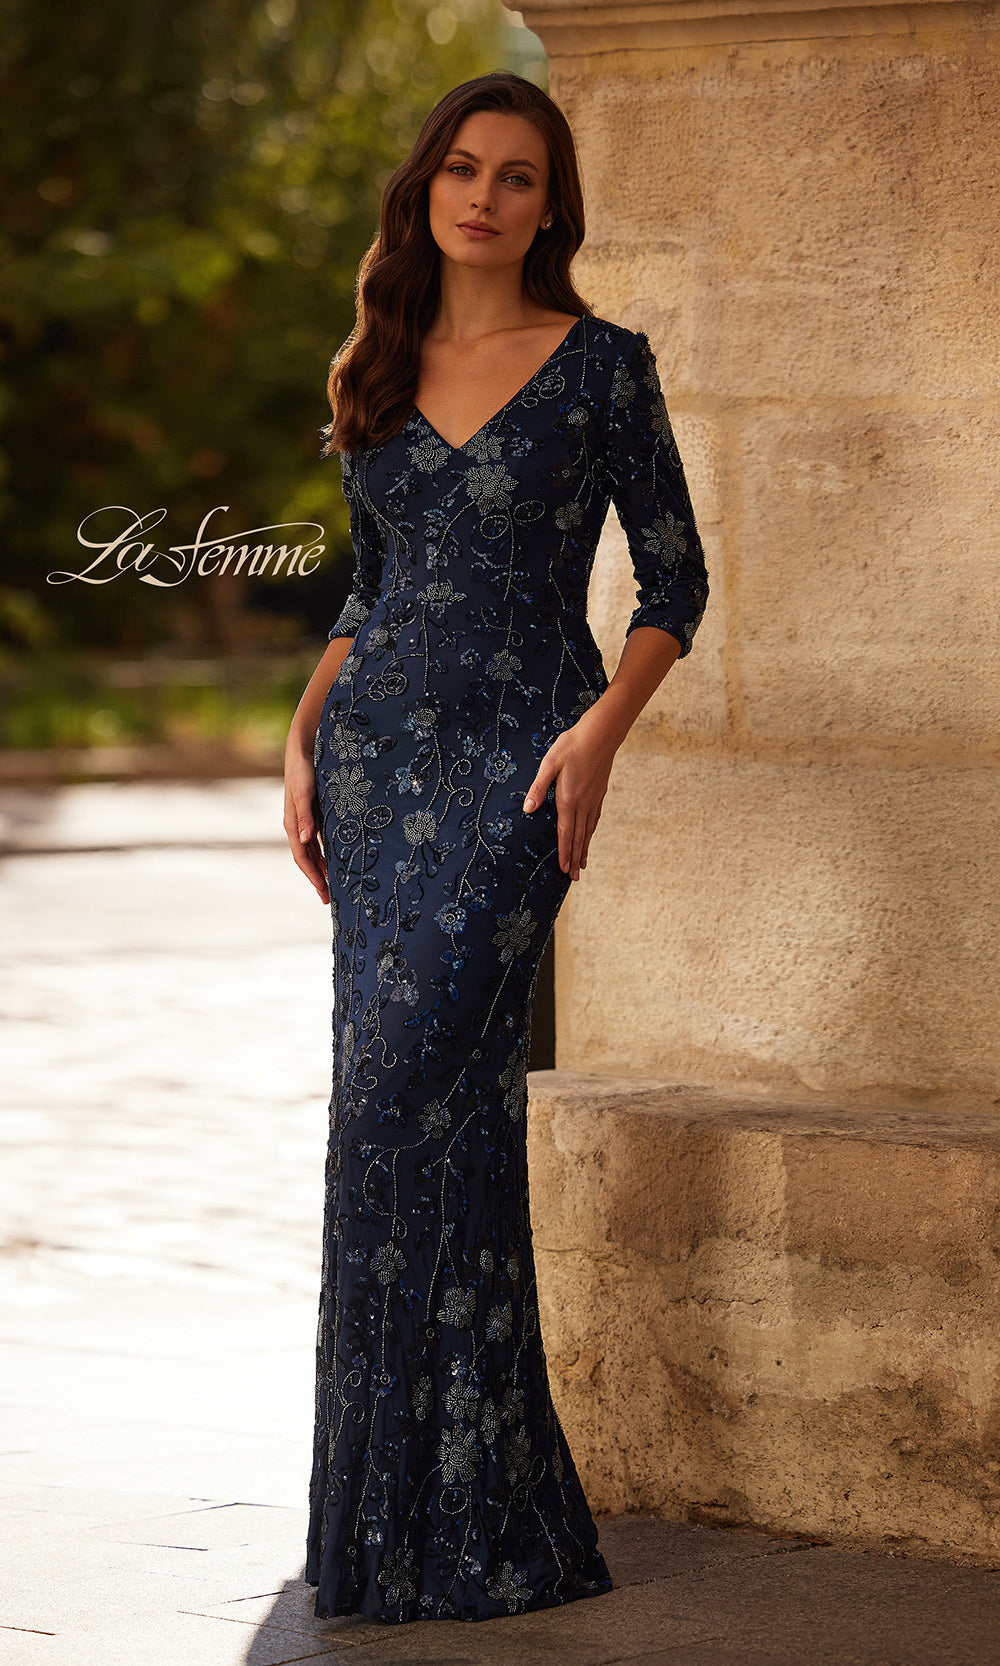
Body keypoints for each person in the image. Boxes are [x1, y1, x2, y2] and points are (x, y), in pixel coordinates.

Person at [283, 69, 709, 1626]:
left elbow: (676, 580)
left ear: (551, 205)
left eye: (518, 177)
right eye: (463, 168)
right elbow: (365, 591)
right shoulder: (380, 365)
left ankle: (441, 1511)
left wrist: (596, 734)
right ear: (429, 188)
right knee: (417, 1119)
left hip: (524, 766)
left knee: (404, 1089)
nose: (485, 196)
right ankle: (444, 1525)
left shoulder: (602, 370)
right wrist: (299, 735)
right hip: (378, 761)